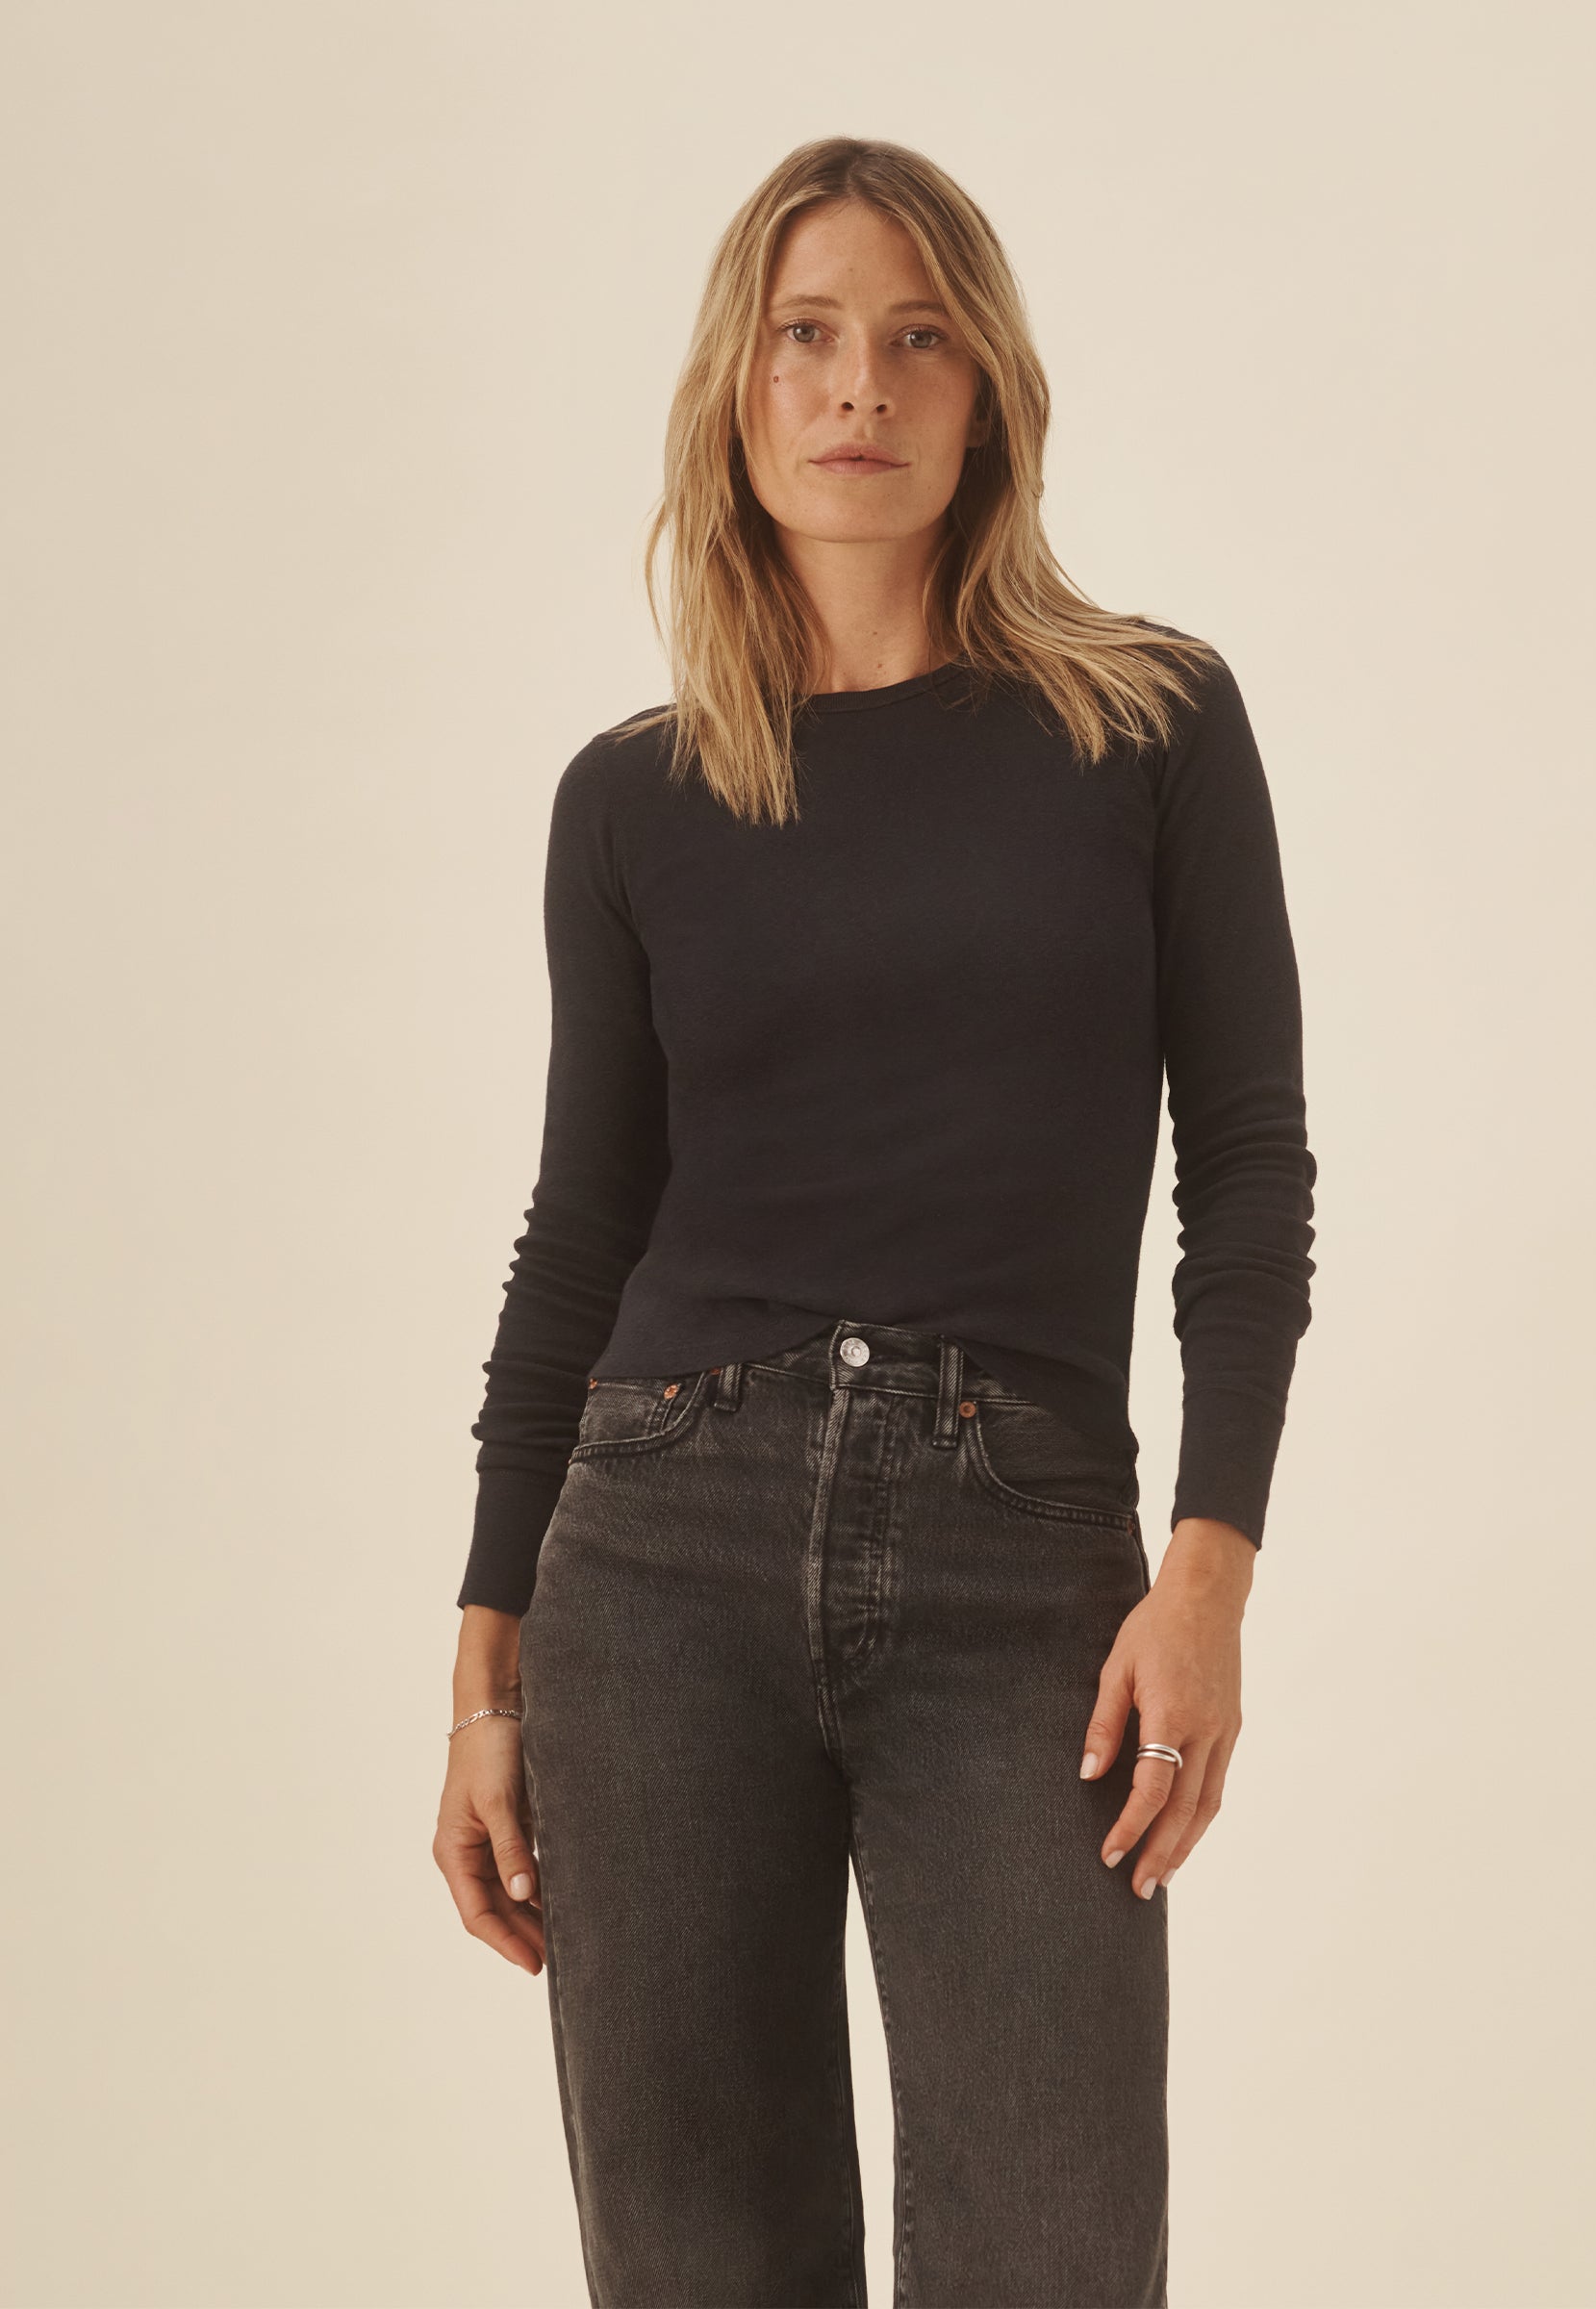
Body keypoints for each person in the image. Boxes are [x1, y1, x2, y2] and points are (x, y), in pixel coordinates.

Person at [431, 135, 1316, 2309]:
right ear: (734, 389)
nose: (861, 385)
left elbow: (1253, 1163)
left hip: (1026, 1559)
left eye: (919, 336)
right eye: (808, 335)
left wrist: (1209, 1570)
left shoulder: (1146, 723)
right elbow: (580, 1229)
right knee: (700, 2264)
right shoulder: (632, 798)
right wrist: (483, 1655)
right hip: (657, 1553)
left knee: (1054, 2253)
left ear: (988, 387)